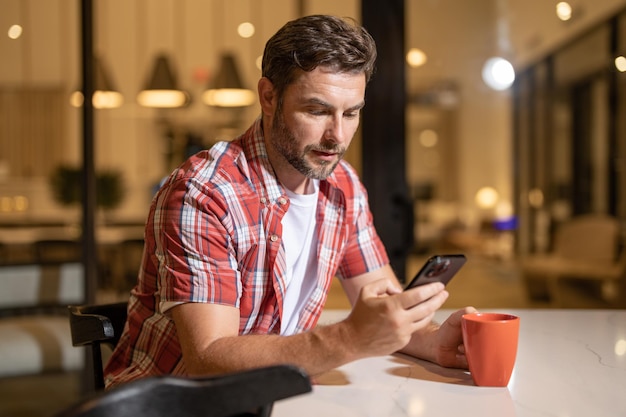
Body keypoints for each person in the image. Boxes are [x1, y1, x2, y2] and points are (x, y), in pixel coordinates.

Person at [104, 14, 475, 389]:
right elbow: (208, 360)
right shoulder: (203, 194)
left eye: (351, 113)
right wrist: (348, 338)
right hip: (169, 407)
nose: (338, 136)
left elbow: (385, 308)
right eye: (317, 111)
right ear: (269, 97)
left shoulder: (342, 186)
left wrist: (433, 341)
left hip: (273, 395)